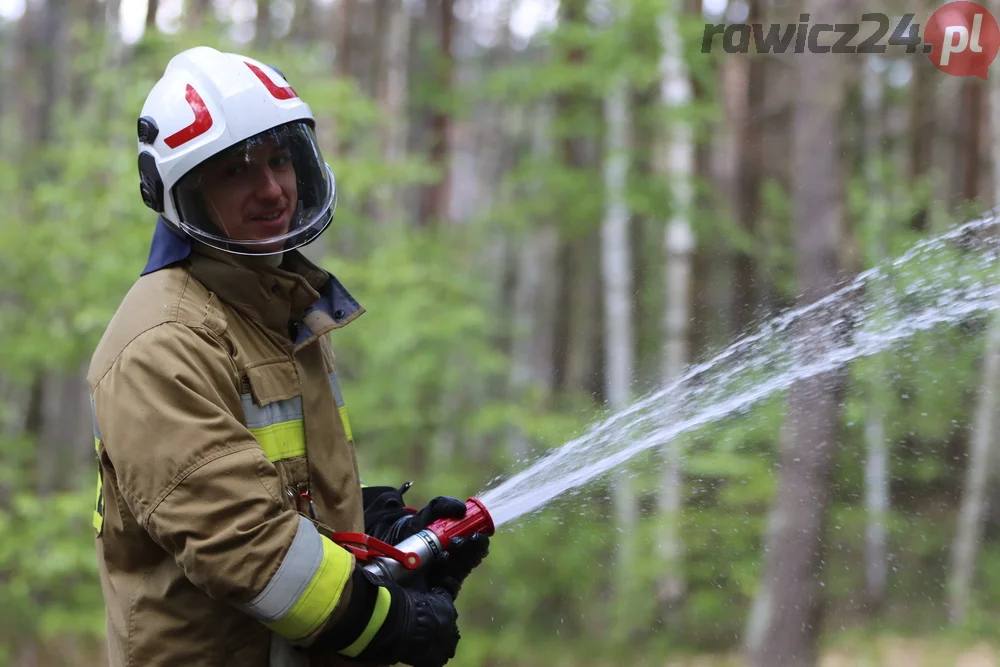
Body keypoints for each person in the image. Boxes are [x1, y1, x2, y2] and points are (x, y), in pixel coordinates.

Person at [87, 46, 489, 667]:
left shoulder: (281, 308)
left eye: (280, 159)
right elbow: (248, 549)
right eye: (238, 171)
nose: (272, 188)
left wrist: (376, 525)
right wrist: (393, 621)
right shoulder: (162, 342)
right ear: (186, 191)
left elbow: (278, 489)